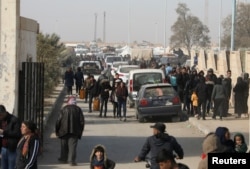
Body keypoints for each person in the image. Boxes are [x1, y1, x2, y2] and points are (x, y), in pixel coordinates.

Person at [55, 96, 85, 166]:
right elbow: (82, 122)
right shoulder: (78, 109)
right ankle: (71, 161)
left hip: (63, 130)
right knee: (72, 146)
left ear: (68, 101)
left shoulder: (64, 109)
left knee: (64, 145)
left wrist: (57, 130)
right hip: (74, 131)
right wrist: (80, 131)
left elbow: (58, 121)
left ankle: (63, 158)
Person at [0, 105, 22, 169]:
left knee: (11, 166)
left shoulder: (14, 120)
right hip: (3, 148)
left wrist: (4, 132)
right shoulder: (1, 121)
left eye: (0, 115)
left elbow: (17, 134)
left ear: (4, 112)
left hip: (12, 149)